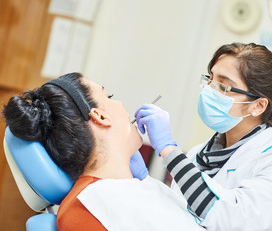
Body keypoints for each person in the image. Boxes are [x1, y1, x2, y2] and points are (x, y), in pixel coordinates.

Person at [133, 42, 272, 231]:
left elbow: (229, 218)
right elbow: (175, 214)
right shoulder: (198, 154)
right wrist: (144, 180)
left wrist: (168, 150)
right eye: (210, 79)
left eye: (224, 87)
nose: (209, 90)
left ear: (258, 105)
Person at [3, 73, 205, 231]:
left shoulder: (121, 191)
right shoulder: (91, 205)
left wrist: (146, 181)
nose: (120, 104)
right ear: (100, 116)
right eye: (109, 97)